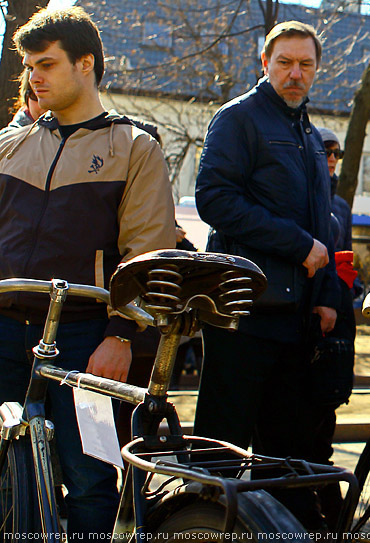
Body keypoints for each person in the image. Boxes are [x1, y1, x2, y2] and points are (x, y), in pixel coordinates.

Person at [0, 7, 174, 538]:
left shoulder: (135, 148)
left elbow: (148, 253)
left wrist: (121, 335)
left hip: (87, 342)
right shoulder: (9, 145)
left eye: (46, 64)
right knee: (8, 476)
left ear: (86, 64)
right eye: (29, 65)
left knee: (92, 479)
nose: (34, 77)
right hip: (5, 332)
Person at [193, 20, 339, 530]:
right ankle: (201, 531)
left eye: (305, 64)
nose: (295, 73)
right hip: (242, 312)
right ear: (264, 63)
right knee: (220, 451)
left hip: (295, 320)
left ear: (317, 70)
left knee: (283, 454)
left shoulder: (309, 134)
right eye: (285, 62)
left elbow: (323, 222)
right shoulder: (239, 119)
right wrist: (298, 246)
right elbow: (214, 199)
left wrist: (327, 295)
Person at [310, 126, 357, 528]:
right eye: (325, 151)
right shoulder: (302, 195)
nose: (331, 159)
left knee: (323, 423)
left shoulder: (338, 204)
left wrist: (346, 285)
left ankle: (333, 519)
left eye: (337, 153)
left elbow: (346, 254)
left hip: (336, 323)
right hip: (301, 318)